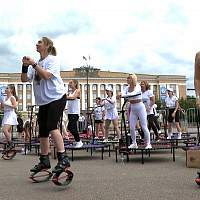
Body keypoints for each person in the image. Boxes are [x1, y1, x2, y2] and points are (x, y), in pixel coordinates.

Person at [21, 36, 70, 174]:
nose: (37, 44)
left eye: (40, 42)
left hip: (57, 97)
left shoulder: (52, 60)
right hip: (44, 101)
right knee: (42, 129)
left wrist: (34, 64)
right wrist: (25, 66)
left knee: (51, 126)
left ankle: (63, 158)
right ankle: (44, 160)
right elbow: (24, 80)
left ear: (47, 46)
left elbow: (47, 76)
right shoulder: (35, 64)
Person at [121, 74, 152, 149]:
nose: (127, 79)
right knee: (131, 127)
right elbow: (122, 93)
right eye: (127, 78)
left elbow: (133, 94)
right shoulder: (126, 87)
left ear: (133, 79)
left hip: (140, 107)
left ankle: (148, 143)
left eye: (129, 78)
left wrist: (123, 95)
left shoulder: (138, 86)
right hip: (133, 107)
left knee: (144, 126)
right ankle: (134, 143)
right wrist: (122, 95)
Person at [0, 84, 18, 151]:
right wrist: (1, 105)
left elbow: (15, 106)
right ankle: (9, 146)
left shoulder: (12, 97)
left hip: (11, 114)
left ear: (11, 90)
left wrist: (6, 104)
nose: (5, 89)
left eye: (7, 88)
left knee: (5, 130)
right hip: (6, 114)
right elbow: (2, 108)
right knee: (8, 131)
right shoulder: (4, 98)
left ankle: (11, 144)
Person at [66, 79, 83, 147]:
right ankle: (77, 141)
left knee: (70, 127)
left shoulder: (77, 90)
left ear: (75, 84)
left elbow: (73, 98)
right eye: (69, 83)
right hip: (70, 112)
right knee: (74, 128)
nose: (69, 84)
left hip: (75, 113)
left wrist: (64, 97)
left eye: (71, 83)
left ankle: (79, 141)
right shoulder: (69, 92)